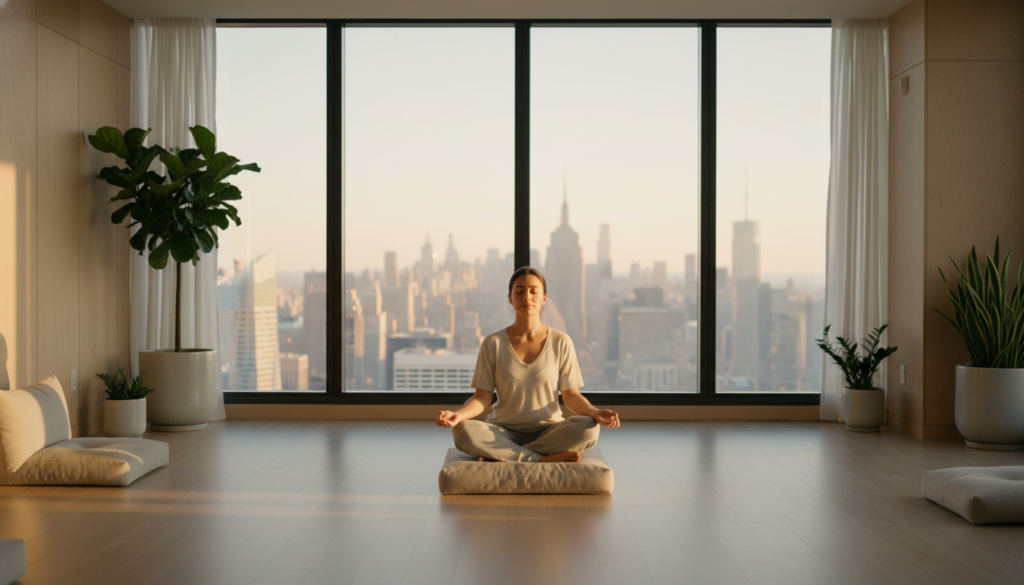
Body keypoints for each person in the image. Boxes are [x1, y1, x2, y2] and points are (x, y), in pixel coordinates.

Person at [436, 266, 620, 462]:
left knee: (589, 428)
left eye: (534, 291)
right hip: (502, 430)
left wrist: (595, 412)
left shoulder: (561, 342)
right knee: (463, 430)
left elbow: (571, 396)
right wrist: (458, 415)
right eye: (520, 291)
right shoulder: (493, 343)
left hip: (549, 430)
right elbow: (482, 398)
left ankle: (504, 455)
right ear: (510, 298)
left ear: (544, 298)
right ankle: (541, 458)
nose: (527, 297)